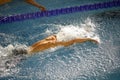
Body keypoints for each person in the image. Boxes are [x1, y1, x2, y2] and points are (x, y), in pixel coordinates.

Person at [27, 35, 99, 54]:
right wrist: (89, 39)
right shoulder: (54, 43)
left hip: (25, 49)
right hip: (25, 54)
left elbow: (54, 35)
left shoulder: (50, 38)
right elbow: (74, 40)